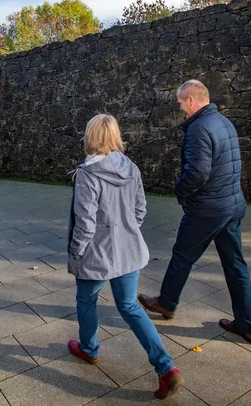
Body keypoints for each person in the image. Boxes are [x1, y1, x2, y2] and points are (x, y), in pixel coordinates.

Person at [68, 114, 184, 400]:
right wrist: (126, 231)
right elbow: (140, 208)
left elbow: (84, 224)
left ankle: (89, 348)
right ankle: (166, 367)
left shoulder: (87, 174)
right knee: (130, 306)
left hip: (96, 255)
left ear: (90, 136)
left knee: (86, 300)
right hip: (129, 250)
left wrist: (76, 254)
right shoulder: (130, 167)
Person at [138, 80, 251, 344]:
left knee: (182, 256)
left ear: (191, 100)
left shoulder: (199, 129)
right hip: (231, 205)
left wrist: (179, 191)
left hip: (208, 209)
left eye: (181, 102)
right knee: (236, 265)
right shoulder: (224, 122)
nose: (181, 107)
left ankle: (166, 303)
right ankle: (248, 325)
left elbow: (197, 172)